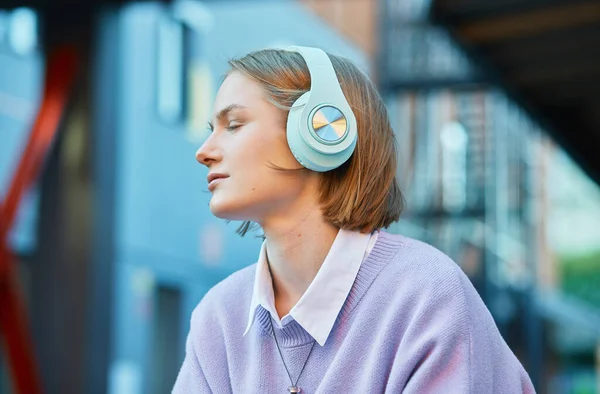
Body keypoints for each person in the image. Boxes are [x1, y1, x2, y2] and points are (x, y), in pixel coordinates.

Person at [172, 46, 535, 393]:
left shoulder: (427, 295)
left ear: (321, 132)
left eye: (233, 125)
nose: (204, 152)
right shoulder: (218, 317)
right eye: (211, 130)